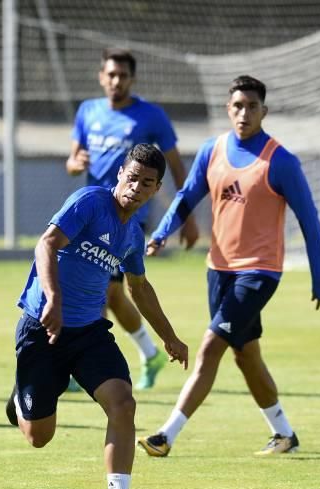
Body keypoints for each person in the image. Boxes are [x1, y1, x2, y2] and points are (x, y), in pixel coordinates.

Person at [138, 75, 320, 458]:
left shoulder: (280, 161)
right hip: (219, 270)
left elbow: (309, 220)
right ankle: (284, 434)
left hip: (259, 272)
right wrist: (162, 233)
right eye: (238, 106)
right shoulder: (213, 150)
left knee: (211, 346)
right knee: (246, 355)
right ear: (228, 109)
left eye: (252, 106)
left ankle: (166, 435)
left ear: (265, 111)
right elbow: (186, 196)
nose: (244, 113)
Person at [5, 143, 189, 489]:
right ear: (120, 174)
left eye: (147, 184)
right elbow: (47, 243)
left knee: (122, 402)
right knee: (39, 437)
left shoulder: (133, 236)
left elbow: (139, 288)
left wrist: (169, 337)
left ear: (156, 191)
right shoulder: (89, 201)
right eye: (132, 178)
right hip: (43, 327)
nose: (136, 188)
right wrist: (52, 298)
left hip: (89, 332)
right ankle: (20, 403)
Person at [66, 47, 198, 390]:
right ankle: (144, 352)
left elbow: (177, 166)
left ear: (132, 79)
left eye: (123, 75)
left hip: (127, 218)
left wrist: (189, 216)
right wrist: (74, 164)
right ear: (101, 76)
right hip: (90, 213)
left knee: (106, 289)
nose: (116, 81)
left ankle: (83, 365)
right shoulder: (88, 111)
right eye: (110, 74)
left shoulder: (150, 116)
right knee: (107, 292)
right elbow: (73, 161)